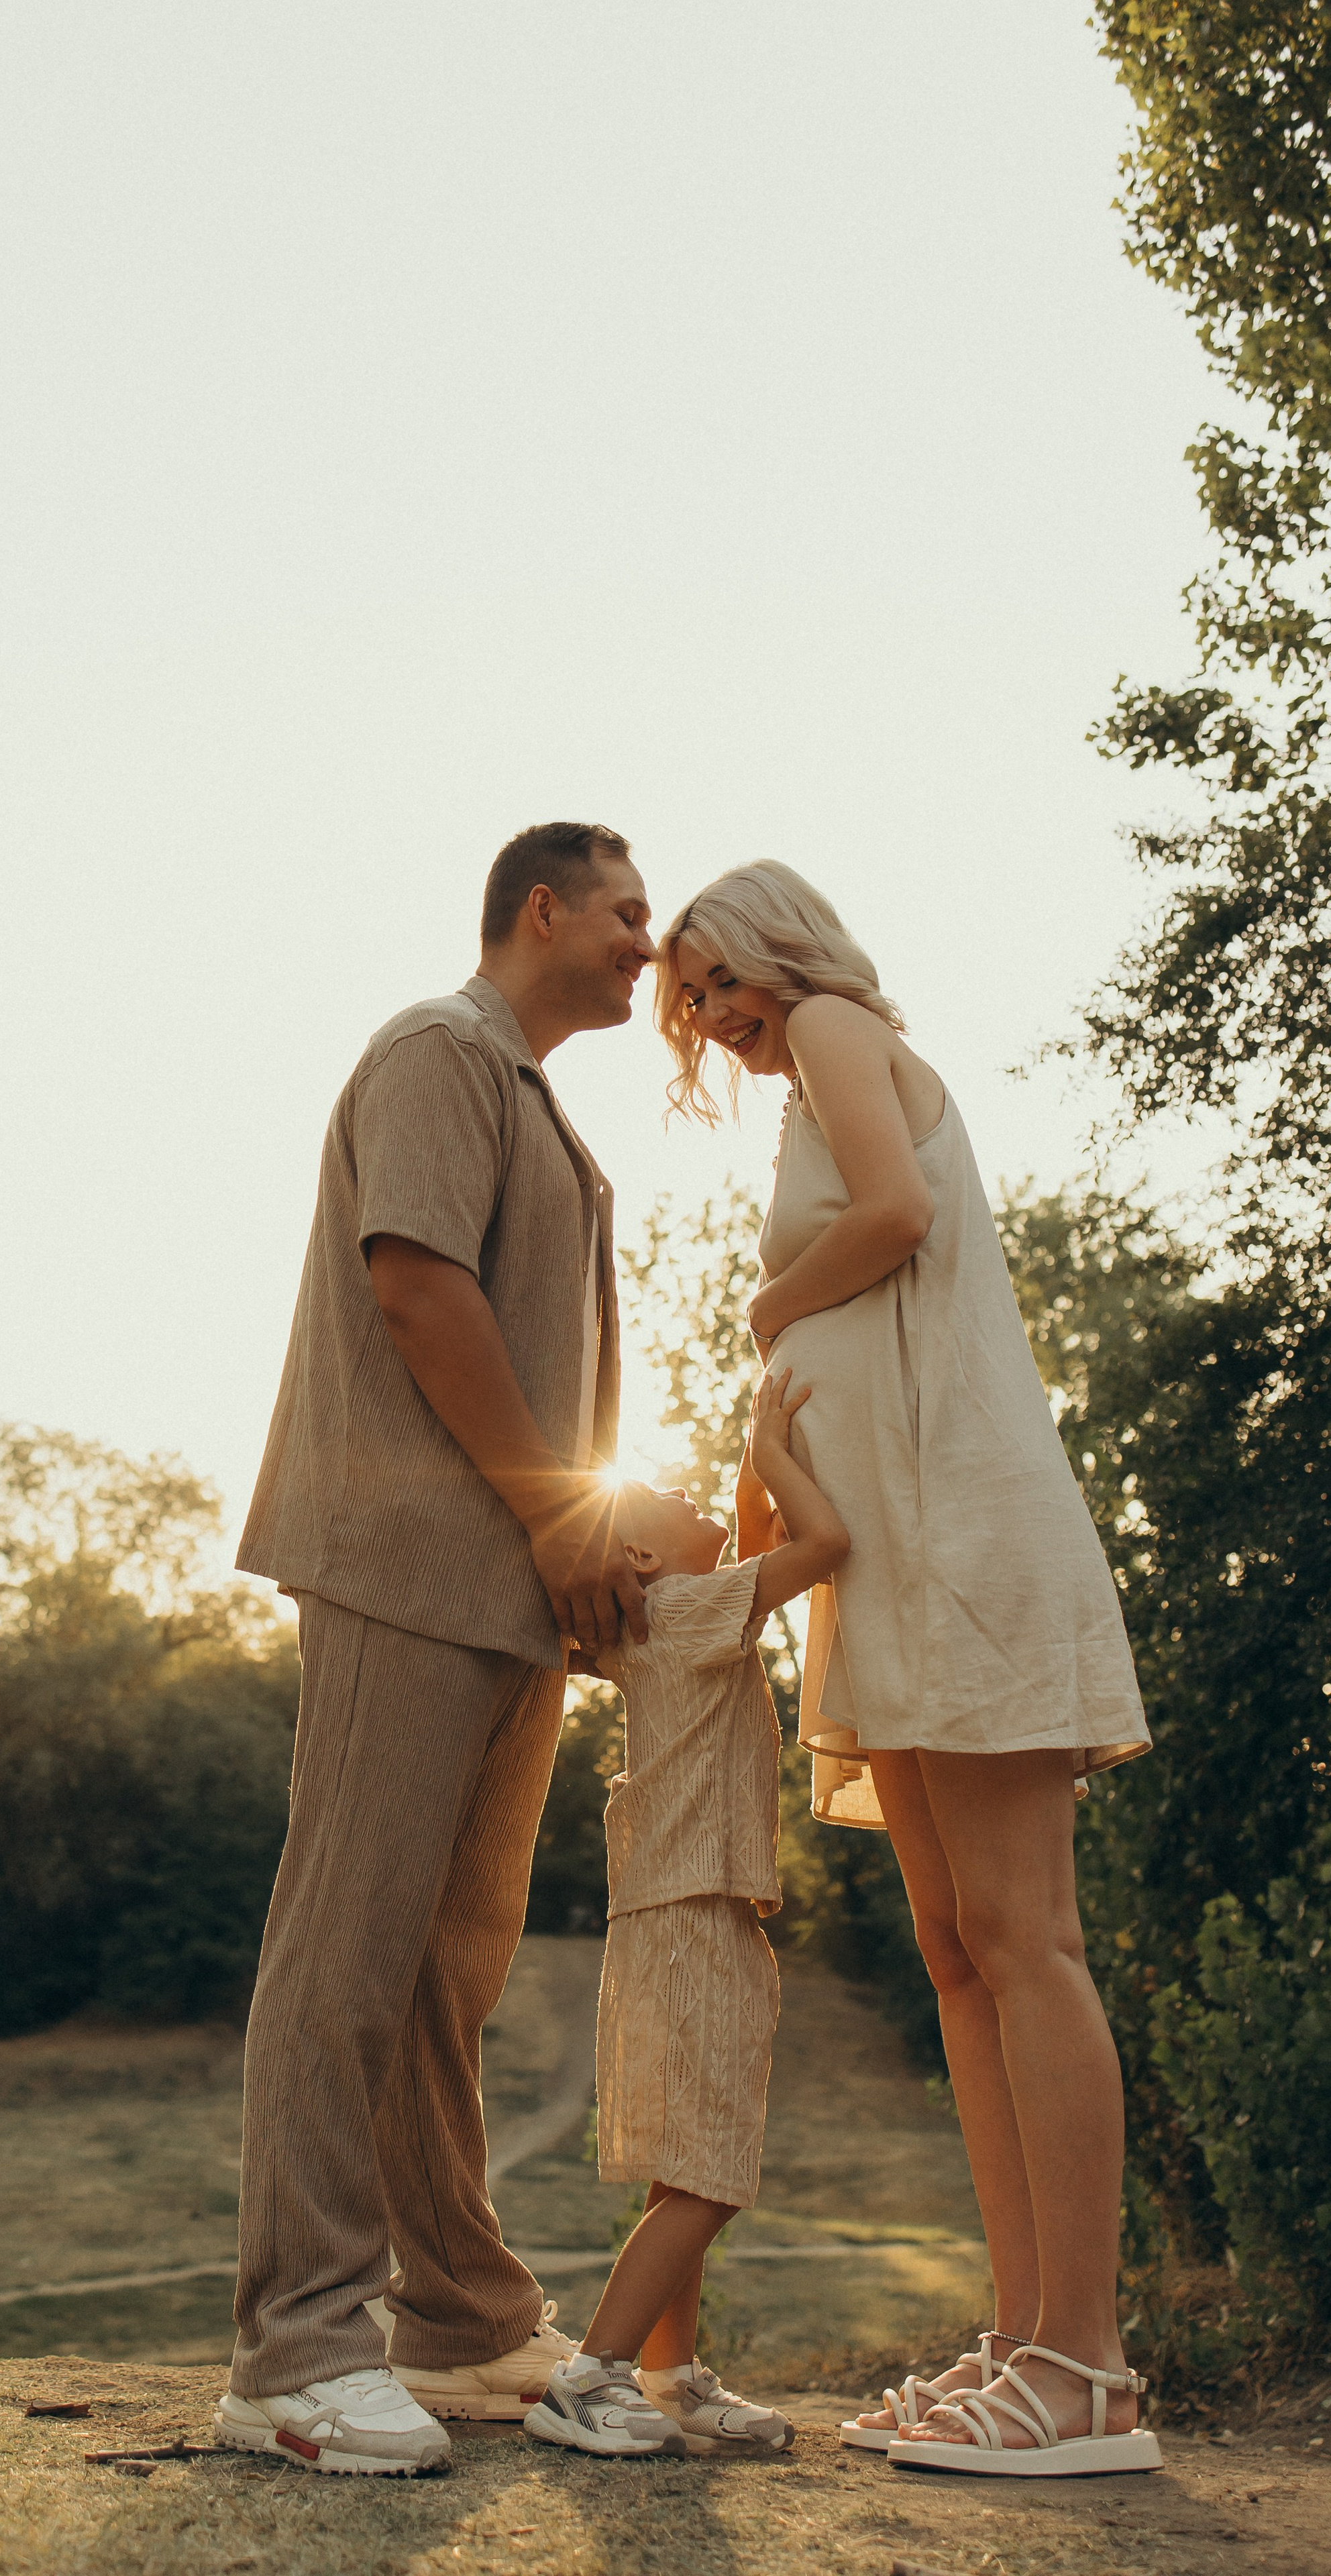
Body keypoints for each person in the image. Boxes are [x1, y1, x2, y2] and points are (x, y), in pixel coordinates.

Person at [653, 861, 1162, 2480]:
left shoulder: (833, 1028)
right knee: (954, 1951)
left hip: (962, 1545)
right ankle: (1025, 2339)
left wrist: (763, 1307)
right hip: (893, 1564)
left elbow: (895, 1216)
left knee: (1023, 1938)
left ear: (788, 953)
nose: (714, 1014)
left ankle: (1085, 2367)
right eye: (689, 999)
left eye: (722, 978)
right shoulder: (807, 1079)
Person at [215, 821, 657, 2478]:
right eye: (625, 913)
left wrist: (580, 1541)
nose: (645, 944)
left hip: (507, 1596)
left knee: (439, 1975)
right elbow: (413, 1285)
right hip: (407, 1570)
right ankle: (293, 2354)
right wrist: (554, 1509)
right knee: (342, 1953)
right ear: (539, 907)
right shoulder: (437, 1051)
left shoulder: (528, 1096)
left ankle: (461, 2320)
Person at [523, 1367, 849, 2461]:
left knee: (688, 2162)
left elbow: (754, 1529)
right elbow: (824, 1543)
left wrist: (759, 1455)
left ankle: (668, 2375)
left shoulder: (679, 1617)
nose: (687, 1490)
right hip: (693, 1913)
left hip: (675, 1914)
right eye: (662, 1494)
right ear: (644, 1558)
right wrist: (777, 1451)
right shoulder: (692, 1609)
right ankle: (591, 2378)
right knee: (710, 2175)